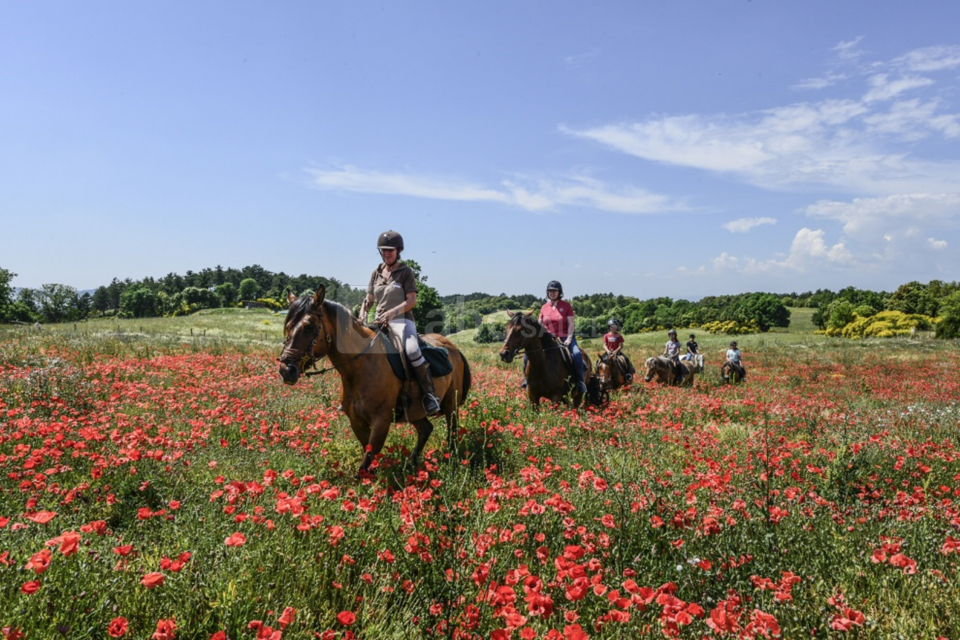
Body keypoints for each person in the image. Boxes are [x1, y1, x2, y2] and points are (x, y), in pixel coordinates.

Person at [359, 230, 441, 415]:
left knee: (412, 350)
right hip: (379, 322)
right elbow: (369, 299)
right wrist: (362, 314)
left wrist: (392, 312)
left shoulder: (405, 272)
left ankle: (430, 395)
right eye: (383, 250)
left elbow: (411, 301)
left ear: (398, 251)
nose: (386, 253)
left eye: (390, 250)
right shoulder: (376, 273)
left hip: (402, 320)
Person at [523, 280, 586, 394]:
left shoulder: (566, 306)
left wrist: (569, 339)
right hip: (547, 338)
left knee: (576, 354)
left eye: (554, 291)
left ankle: (580, 382)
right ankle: (526, 380)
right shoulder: (544, 307)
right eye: (550, 291)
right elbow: (540, 325)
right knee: (527, 355)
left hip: (564, 337)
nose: (552, 293)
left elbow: (571, 324)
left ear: (559, 292)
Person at [602, 318, 635, 382]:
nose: (613, 328)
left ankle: (628, 374)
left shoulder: (619, 336)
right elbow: (604, 345)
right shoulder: (606, 336)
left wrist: (614, 352)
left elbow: (620, 346)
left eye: (615, 327)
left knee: (626, 359)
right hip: (608, 352)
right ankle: (597, 375)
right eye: (612, 327)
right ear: (609, 327)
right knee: (599, 361)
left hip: (617, 352)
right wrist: (608, 351)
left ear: (616, 327)